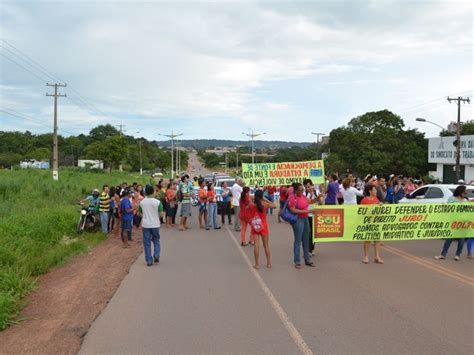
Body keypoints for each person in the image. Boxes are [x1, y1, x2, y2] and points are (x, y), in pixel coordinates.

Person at [434, 185, 468, 261]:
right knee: (449, 239)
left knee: (461, 240)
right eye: (464, 191)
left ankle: (457, 255)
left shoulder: (465, 201)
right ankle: (443, 254)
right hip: (453, 222)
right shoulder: (452, 199)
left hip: (463, 223)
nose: (466, 193)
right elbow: (449, 209)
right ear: (460, 192)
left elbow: (468, 212)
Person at [288, 183, 315, 269]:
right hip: (298, 220)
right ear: (296, 191)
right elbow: (293, 210)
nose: (303, 191)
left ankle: (307, 260)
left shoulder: (303, 196)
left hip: (305, 219)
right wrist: (307, 212)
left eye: (303, 190)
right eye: (301, 190)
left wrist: (317, 197)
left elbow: (310, 201)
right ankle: (297, 261)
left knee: (306, 240)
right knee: (298, 240)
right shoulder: (292, 198)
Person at [249, 190, 278, 269]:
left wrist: (254, 199)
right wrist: (265, 199)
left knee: (256, 246)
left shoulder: (251, 205)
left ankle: (257, 264)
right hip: (263, 225)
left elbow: (247, 205)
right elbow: (275, 205)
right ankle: (268, 263)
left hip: (255, 225)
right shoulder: (265, 204)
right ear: (262, 196)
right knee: (266, 246)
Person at [138, 185, 164, 266]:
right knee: (156, 240)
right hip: (155, 224)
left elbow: (139, 213)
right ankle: (156, 254)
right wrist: (156, 217)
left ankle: (149, 260)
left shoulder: (142, 202)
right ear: (153, 192)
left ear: (145, 192)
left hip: (146, 224)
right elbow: (161, 214)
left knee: (147, 242)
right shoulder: (157, 202)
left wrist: (145, 216)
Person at [361, 184, 383, 264]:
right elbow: (362, 212)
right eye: (374, 190)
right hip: (368, 222)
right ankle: (366, 256)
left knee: (377, 239)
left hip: (376, 222)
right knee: (367, 239)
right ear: (370, 191)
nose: (376, 191)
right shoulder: (364, 200)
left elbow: (379, 210)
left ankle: (377, 256)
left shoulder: (377, 199)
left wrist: (380, 205)